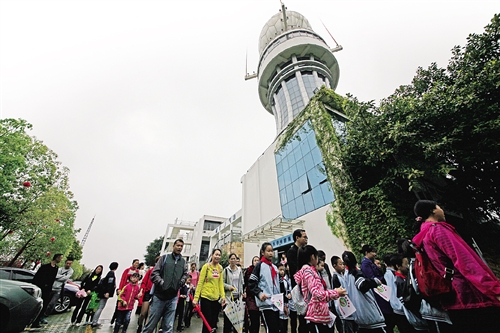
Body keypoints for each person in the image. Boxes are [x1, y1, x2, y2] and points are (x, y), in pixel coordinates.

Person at [412, 200, 500, 332]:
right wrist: (493, 289)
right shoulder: (438, 230)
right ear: (433, 211)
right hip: (471, 296)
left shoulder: (422, 236)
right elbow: (465, 261)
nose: (442, 210)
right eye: (439, 206)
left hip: (451, 297)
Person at [294, 245, 346, 333]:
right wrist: (336, 293)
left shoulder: (310, 271)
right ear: (312, 257)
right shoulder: (308, 272)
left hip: (317, 314)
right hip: (315, 315)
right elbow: (317, 293)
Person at [143, 239, 188, 333]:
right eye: (178, 245)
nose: (179, 247)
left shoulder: (183, 262)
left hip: (173, 297)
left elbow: (185, 274)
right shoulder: (164, 258)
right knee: (151, 325)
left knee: (168, 326)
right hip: (159, 296)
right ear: (173, 246)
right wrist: (162, 283)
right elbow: (154, 273)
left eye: (181, 246)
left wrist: (181, 282)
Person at [342, 251, 386, 332]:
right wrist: (375, 282)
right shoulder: (356, 273)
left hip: (359, 316)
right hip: (370, 315)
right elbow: (363, 285)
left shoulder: (346, 276)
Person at [361, 245, 395, 333]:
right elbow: (371, 278)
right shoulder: (365, 264)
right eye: (372, 252)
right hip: (378, 291)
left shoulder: (371, 262)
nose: (374, 254)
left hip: (381, 288)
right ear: (366, 253)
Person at [249, 242, 280, 333]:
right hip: (265, 304)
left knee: (276, 329)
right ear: (263, 252)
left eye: (272, 251)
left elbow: (278, 285)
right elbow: (251, 283)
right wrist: (259, 294)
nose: (271, 253)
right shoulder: (259, 265)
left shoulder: (274, 267)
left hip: (276, 304)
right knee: (271, 329)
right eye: (268, 251)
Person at [193, 248, 226, 333]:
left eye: (219, 255)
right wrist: (196, 298)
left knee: (213, 323)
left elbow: (220, 284)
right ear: (212, 255)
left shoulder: (220, 268)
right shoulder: (206, 267)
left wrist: (223, 296)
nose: (217, 256)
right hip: (205, 298)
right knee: (207, 322)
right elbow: (200, 283)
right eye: (216, 254)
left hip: (216, 299)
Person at [383, 255, 415, 333]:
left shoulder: (404, 277)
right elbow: (394, 294)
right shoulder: (397, 279)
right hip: (401, 311)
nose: (407, 266)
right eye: (405, 264)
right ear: (398, 266)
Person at [31, 253, 63, 328]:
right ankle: (33, 321)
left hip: (48, 290)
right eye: (60, 258)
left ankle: (37, 322)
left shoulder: (56, 268)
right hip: (41, 288)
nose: (61, 259)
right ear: (57, 257)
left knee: (44, 306)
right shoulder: (45, 267)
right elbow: (37, 277)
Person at [287, 229, 308, 333]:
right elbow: (295, 271)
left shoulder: (305, 251)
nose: (306, 239)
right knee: (300, 316)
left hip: (307, 287)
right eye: (304, 237)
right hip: (298, 288)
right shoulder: (291, 252)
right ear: (297, 238)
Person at [43, 257, 74, 322]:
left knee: (52, 304)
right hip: (52, 287)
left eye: (69, 264)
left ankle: (45, 316)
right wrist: (61, 277)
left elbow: (65, 278)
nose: (68, 265)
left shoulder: (71, 271)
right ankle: (41, 316)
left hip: (59, 289)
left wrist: (59, 277)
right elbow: (54, 275)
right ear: (65, 263)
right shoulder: (59, 269)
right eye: (67, 263)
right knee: (46, 302)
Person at [111, 258, 140, 325]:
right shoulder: (127, 270)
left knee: (127, 307)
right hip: (124, 289)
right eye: (136, 263)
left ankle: (123, 321)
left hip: (131, 291)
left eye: (138, 263)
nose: (136, 264)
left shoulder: (137, 272)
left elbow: (137, 281)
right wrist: (120, 288)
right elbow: (122, 279)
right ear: (133, 263)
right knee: (119, 305)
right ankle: (115, 318)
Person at [92, 262, 119, 328]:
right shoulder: (111, 274)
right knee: (100, 308)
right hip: (104, 293)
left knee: (100, 307)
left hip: (103, 292)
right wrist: (108, 292)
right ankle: (94, 322)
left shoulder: (109, 273)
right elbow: (110, 284)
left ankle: (94, 321)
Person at [223, 253, 244, 333]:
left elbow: (241, 283)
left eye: (234, 258)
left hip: (237, 298)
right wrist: (229, 287)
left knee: (237, 321)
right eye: (231, 259)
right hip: (229, 298)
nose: (233, 260)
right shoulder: (226, 270)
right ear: (229, 260)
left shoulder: (239, 270)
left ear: (236, 260)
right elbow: (222, 283)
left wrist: (242, 293)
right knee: (228, 321)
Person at [137, 258, 157, 333]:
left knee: (149, 314)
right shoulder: (150, 271)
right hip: (148, 292)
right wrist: (141, 291)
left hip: (156, 294)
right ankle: (139, 324)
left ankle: (145, 329)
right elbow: (144, 281)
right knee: (143, 313)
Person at [244, 256, 260, 333]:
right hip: (250, 297)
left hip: (259, 297)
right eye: (255, 260)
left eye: (258, 260)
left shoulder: (261, 270)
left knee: (258, 319)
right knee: (253, 317)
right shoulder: (248, 270)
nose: (256, 262)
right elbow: (246, 283)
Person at [330, 256, 345, 333]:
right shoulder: (335, 277)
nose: (343, 266)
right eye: (340, 264)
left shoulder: (343, 275)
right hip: (341, 306)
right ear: (334, 265)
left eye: (343, 263)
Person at [278, 262, 292, 333]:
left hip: (286, 302)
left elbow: (288, 288)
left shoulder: (286, 279)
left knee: (285, 323)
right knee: (280, 325)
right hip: (280, 303)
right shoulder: (277, 280)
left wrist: (290, 293)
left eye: (283, 270)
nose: (282, 271)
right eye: (280, 270)